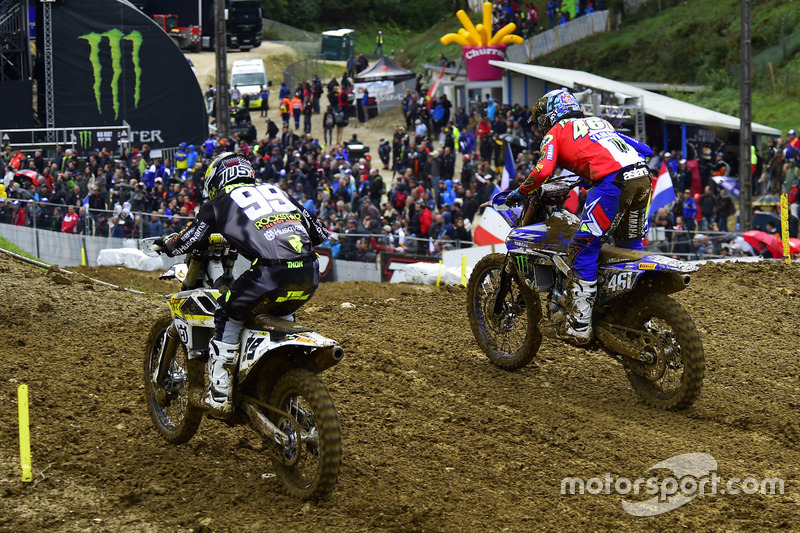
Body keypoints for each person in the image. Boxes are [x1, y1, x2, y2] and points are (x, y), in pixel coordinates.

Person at [153, 153, 328, 418]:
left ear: (217, 180)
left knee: (226, 310)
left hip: (270, 274)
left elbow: (189, 240)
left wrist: (167, 243)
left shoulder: (220, 202)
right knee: (276, 313)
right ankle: (275, 381)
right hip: (310, 272)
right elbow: (319, 233)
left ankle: (220, 393)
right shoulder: (276, 191)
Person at [505, 89, 653, 343]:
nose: (541, 122)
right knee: (630, 245)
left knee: (582, 246)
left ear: (551, 113)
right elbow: (645, 148)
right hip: (641, 178)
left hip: (613, 183)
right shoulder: (600, 122)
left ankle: (579, 325)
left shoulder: (556, 132)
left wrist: (520, 192)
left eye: (541, 116)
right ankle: (641, 316)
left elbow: (543, 171)